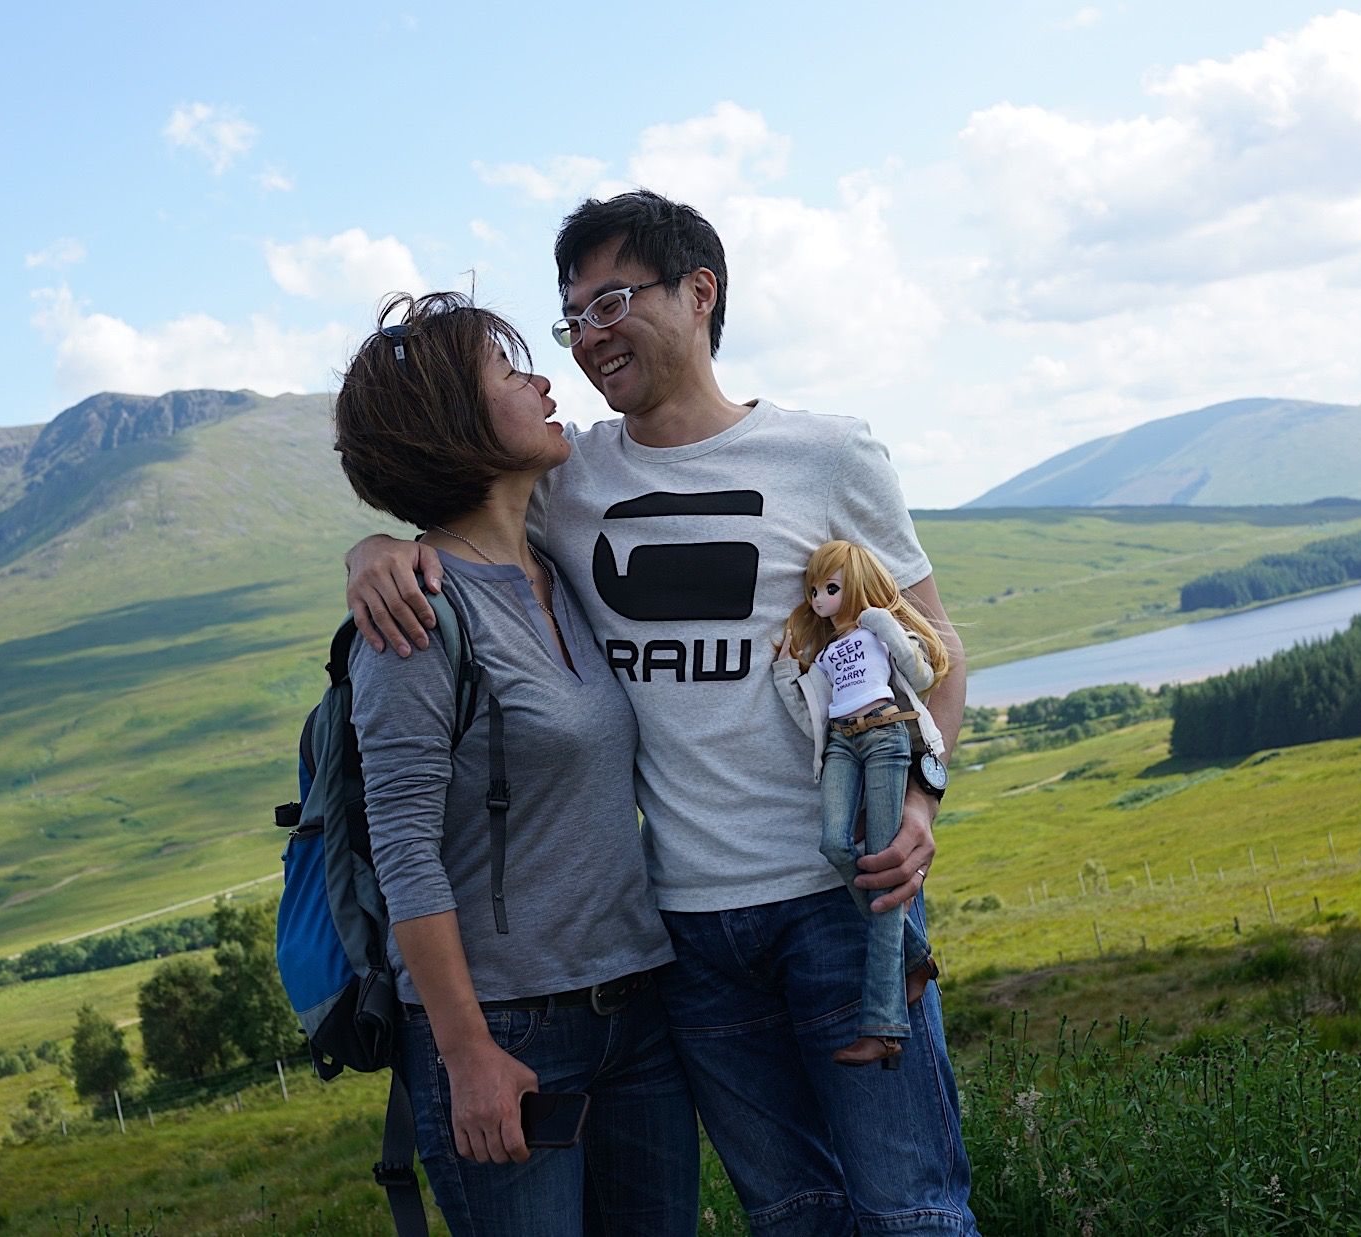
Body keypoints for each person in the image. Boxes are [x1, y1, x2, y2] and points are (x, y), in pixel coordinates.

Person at [347, 192, 979, 1235]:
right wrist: (374, 551)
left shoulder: (829, 454)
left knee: (910, 1211)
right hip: (686, 939)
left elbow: (936, 649)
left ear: (699, 292)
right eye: (572, 319)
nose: (588, 338)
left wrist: (919, 799)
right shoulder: (571, 478)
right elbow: (457, 512)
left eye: (611, 302)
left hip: (840, 899)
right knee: (793, 1213)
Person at [332, 290, 696, 1235]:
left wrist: (369, 544)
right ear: (454, 423)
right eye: (509, 370)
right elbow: (404, 849)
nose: (545, 381)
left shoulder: (557, 561)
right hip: (504, 1029)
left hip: (636, 1009)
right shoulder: (414, 619)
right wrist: (466, 1055)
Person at [776, 539, 951, 1069]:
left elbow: (921, 676)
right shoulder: (827, 653)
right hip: (841, 742)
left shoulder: (877, 629)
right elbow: (811, 715)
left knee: (879, 858)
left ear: (853, 585)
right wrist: (785, 674)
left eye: (830, 588)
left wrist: (886, 626)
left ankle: (883, 1027)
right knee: (835, 843)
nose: (819, 600)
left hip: (885, 736)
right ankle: (915, 955)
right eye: (814, 591)